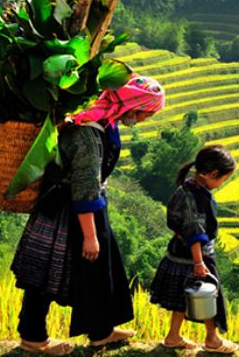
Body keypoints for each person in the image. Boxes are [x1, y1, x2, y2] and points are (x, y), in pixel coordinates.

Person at [10, 75, 165, 355]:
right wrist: (91, 236)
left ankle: (101, 331)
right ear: (134, 105)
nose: (144, 119)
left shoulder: (104, 121)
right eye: (145, 113)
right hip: (67, 209)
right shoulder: (88, 132)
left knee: (101, 270)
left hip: (89, 206)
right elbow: (83, 186)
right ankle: (33, 337)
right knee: (44, 274)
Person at [149, 145, 239, 354]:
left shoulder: (186, 188)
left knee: (181, 299)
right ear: (213, 174)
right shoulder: (194, 198)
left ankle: (173, 337)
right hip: (196, 257)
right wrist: (199, 263)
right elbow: (193, 231)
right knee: (209, 294)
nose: (221, 184)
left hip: (178, 253)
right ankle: (213, 339)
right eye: (223, 179)